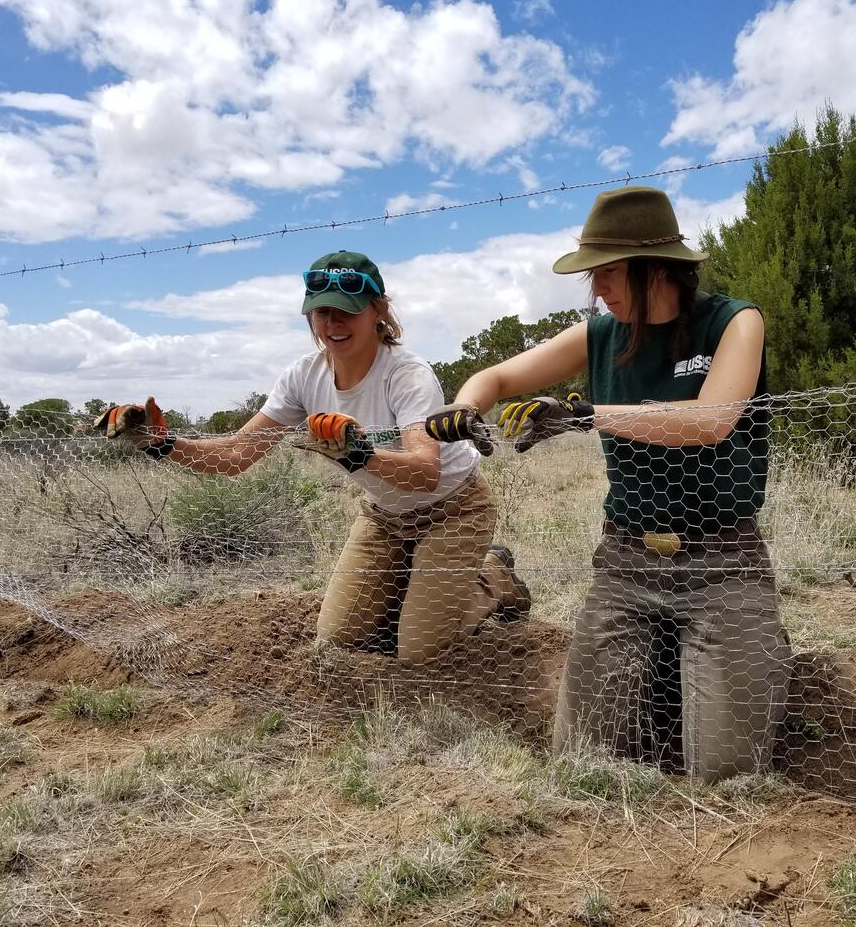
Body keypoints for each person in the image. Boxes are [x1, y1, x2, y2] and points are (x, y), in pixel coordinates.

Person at [425, 186, 790, 782]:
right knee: (583, 764)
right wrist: (463, 407)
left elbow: (710, 421)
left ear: (658, 268)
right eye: (593, 276)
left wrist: (585, 414)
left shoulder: (734, 323)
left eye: (611, 273)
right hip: (625, 565)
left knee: (726, 774)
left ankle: (746, 648)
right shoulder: (598, 335)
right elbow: (495, 375)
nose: (598, 289)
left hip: (725, 564)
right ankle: (678, 665)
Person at [95, 250, 529, 664]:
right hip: (384, 516)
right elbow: (237, 456)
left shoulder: (406, 374)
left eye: (347, 311)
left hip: (452, 510)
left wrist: (359, 455)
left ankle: (494, 577)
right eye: (322, 312)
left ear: (378, 311)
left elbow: (426, 473)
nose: (333, 323)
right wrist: (161, 443)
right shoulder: (304, 376)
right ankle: (418, 585)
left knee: (418, 652)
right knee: (340, 637)